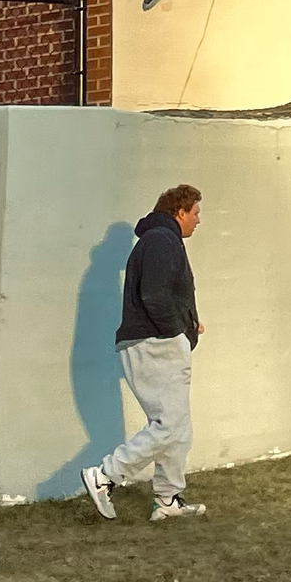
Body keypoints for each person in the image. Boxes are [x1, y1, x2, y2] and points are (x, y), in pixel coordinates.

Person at [83, 185, 207, 520]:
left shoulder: (160, 241)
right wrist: (177, 331)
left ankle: (167, 501)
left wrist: (187, 324)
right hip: (155, 343)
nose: (198, 220)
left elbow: (161, 295)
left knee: (177, 428)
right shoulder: (161, 241)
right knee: (169, 426)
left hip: (154, 340)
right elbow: (154, 296)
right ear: (179, 211)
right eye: (195, 212)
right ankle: (105, 476)